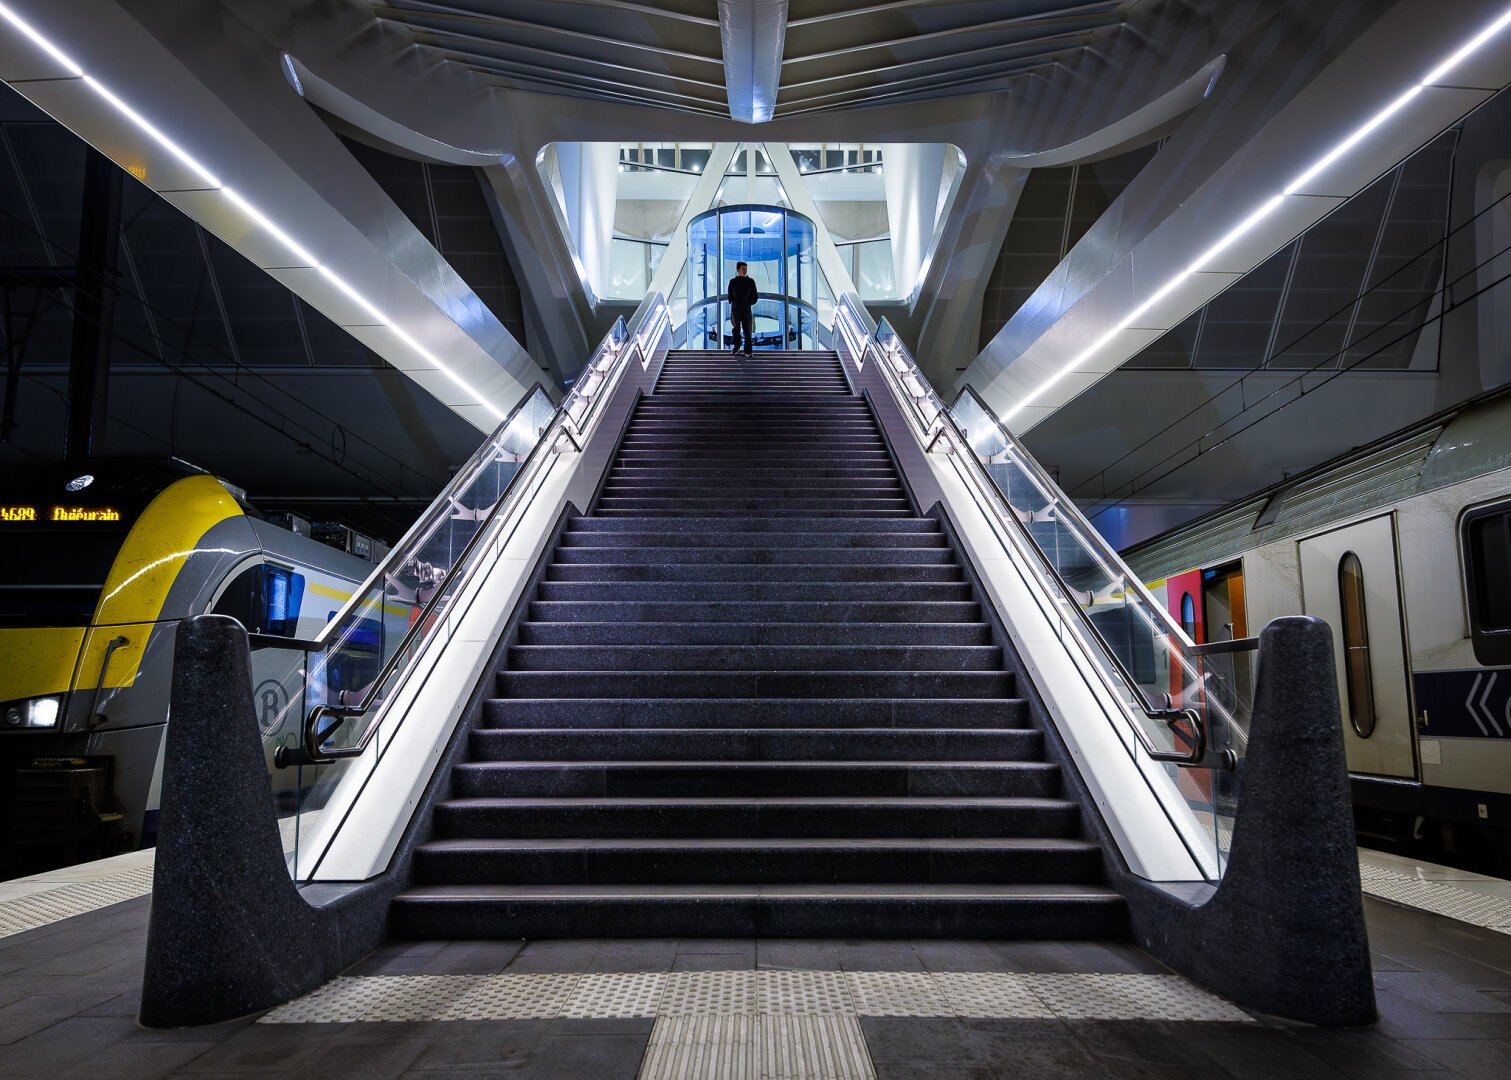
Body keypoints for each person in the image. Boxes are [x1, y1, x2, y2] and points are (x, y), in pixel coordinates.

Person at [727, 261, 758, 356]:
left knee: (747, 331)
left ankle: (748, 351)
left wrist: (748, 303)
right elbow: (730, 295)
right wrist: (733, 302)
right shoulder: (733, 282)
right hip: (736, 310)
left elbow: (755, 296)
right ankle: (736, 348)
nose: (745, 270)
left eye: (746, 269)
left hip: (746, 310)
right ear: (738, 270)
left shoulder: (750, 281)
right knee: (736, 330)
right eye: (743, 268)